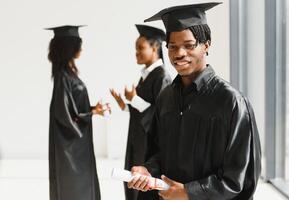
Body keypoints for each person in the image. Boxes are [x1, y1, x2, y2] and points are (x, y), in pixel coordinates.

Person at [128, 3, 261, 200]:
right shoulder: (166, 99)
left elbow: (239, 179)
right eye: (172, 47)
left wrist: (189, 192)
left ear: (206, 45)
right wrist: (148, 170)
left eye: (189, 45)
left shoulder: (231, 102)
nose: (179, 53)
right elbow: (158, 153)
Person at [47, 25, 110, 200]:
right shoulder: (63, 77)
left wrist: (92, 110)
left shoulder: (69, 73)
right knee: (74, 186)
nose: (81, 49)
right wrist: (90, 114)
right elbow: (63, 115)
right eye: (78, 45)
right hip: (71, 145)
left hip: (78, 142)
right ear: (70, 48)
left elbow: (72, 108)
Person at [110, 24, 172, 200]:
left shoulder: (162, 77)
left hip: (149, 144)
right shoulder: (147, 75)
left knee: (142, 184)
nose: (136, 52)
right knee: (132, 181)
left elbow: (161, 114)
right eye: (135, 48)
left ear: (155, 48)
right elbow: (143, 109)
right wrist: (125, 103)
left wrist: (135, 99)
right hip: (137, 139)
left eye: (140, 48)